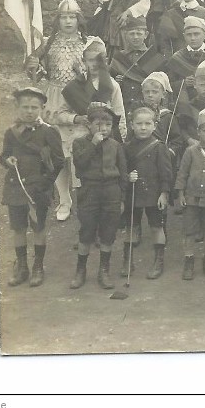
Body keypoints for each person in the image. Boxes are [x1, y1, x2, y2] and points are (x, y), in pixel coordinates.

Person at [25, 0, 90, 221]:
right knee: (58, 152)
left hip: (79, 98)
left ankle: (82, 197)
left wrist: (84, 75)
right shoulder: (48, 43)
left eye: (72, 17)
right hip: (54, 99)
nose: (68, 21)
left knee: (79, 150)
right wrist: (34, 68)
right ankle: (64, 199)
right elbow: (40, 72)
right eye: (64, 17)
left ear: (79, 19)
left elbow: (99, 73)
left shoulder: (89, 43)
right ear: (58, 20)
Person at [0, 87, 65, 287]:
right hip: (16, 186)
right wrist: (7, 161)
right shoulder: (11, 132)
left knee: (38, 227)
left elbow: (59, 160)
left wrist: (45, 183)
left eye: (34, 107)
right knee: (18, 228)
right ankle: (22, 267)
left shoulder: (49, 132)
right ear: (17, 108)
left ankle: (38, 266)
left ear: (42, 108)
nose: (29, 111)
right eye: (25, 107)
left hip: (39, 188)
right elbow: (4, 156)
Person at [69, 104, 128, 290]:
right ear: (89, 125)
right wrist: (93, 144)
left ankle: (104, 270)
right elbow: (80, 166)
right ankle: (80, 270)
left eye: (108, 125)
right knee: (86, 231)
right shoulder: (79, 143)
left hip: (111, 192)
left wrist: (122, 199)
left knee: (108, 232)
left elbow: (123, 174)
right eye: (98, 124)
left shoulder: (116, 146)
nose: (103, 129)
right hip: (89, 190)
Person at [121, 106, 173, 281]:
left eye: (147, 123)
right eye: (139, 123)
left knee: (156, 226)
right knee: (131, 226)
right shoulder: (126, 147)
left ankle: (158, 261)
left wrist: (164, 193)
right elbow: (120, 169)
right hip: (133, 193)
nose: (143, 127)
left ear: (154, 125)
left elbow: (166, 173)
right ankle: (127, 260)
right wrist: (127, 176)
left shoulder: (160, 147)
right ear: (132, 125)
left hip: (153, 193)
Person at [110, 15, 165, 114]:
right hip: (123, 106)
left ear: (146, 35)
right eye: (131, 34)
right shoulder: (119, 57)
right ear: (125, 35)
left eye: (139, 34)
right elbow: (109, 84)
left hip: (147, 108)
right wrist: (116, 81)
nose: (135, 37)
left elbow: (161, 87)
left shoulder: (154, 57)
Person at [164, 16, 205, 91]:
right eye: (189, 35)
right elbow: (168, 84)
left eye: (196, 34)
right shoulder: (177, 58)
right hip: (185, 100)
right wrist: (183, 83)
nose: (192, 38)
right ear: (184, 36)